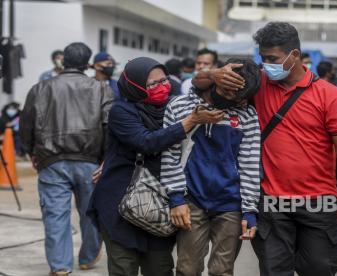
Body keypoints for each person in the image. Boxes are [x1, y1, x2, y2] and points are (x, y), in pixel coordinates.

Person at [193, 22, 337, 276]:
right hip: (271, 203)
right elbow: (199, 82)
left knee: (320, 268)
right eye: (263, 57)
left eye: (272, 58)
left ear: (294, 56)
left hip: (318, 202)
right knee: (273, 271)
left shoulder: (329, 94)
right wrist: (214, 74)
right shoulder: (257, 84)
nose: (266, 64)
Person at [87, 57, 223, 276]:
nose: (163, 87)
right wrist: (189, 121)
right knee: (124, 268)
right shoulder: (121, 111)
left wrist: (215, 76)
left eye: (165, 80)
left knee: (160, 268)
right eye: (153, 84)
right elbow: (146, 142)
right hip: (120, 204)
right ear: (136, 86)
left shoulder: (174, 107)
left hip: (159, 205)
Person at [20, 42, 114, 276]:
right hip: (91, 161)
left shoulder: (40, 88)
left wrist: (32, 151)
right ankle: (88, 256)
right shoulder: (101, 89)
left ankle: (60, 267)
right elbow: (110, 128)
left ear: (63, 61)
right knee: (91, 213)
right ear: (88, 63)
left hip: (51, 161)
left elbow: (26, 124)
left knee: (55, 215)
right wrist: (106, 160)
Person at [161, 58, 261, 276]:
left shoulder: (247, 115)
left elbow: (249, 163)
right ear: (218, 78)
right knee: (187, 269)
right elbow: (170, 155)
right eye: (225, 91)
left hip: (230, 205)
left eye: (237, 96)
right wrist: (176, 197)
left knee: (222, 270)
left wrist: (250, 209)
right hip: (191, 201)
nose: (229, 98)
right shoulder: (180, 107)